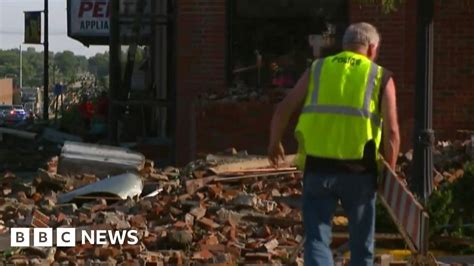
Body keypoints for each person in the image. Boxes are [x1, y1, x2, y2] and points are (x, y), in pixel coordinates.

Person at [268, 22, 400, 266]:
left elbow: (283, 108)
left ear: (345, 46)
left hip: (318, 169)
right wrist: (388, 173)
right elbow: (392, 132)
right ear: (372, 48)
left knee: (317, 239)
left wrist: (274, 142)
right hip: (359, 173)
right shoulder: (380, 76)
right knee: (362, 245)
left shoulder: (317, 69)